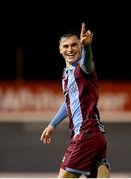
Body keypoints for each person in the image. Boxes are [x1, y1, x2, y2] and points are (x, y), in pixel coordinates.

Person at [40, 23, 110, 178]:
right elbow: (68, 103)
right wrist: (52, 124)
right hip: (96, 135)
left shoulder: (83, 69)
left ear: (80, 46)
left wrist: (87, 47)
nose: (70, 49)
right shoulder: (67, 74)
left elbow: (87, 62)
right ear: (60, 49)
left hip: (85, 133)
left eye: (74, 45)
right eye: (65, 46)